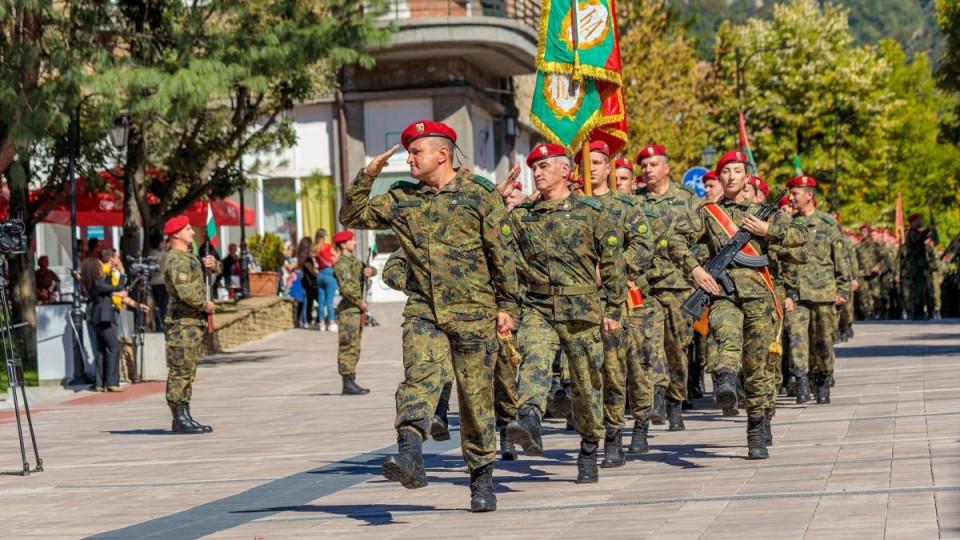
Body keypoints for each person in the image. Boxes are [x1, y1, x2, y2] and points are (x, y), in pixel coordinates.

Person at [340, 119, 519, 512]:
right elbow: (350, 217)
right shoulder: (402, 197)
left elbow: (502, 254)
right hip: (424, 311)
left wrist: (508, 308)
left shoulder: (479, 194)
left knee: (475, 400)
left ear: (442, 153)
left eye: (415, 151)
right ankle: (410, 456)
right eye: (407, 152)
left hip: (475, 313)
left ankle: (481, 480)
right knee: (419, 379)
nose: (409, 159)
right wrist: (369, 174)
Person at [500, 142, 625, 483]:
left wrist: (613, 307)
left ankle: (588, 449)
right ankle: (528, 419)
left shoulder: (593, 213)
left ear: (566, 171)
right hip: (538, 307)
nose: (537, 173)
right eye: (534, 168)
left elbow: (614, 265)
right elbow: (504, 261)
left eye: (544, 167)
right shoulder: (522, 217)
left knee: (586, 386)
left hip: (582, 310)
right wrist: (508, 308)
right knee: (535, 359)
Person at [677, 150, 806, 459]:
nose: (732, 176)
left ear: (747, 178)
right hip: (723, 294)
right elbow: (675, 241)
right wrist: (695, 270)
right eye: (726, 172)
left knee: (759, 364)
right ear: (719, 178)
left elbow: (800, 236)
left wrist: (767, 231)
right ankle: (724, 379)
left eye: (737, 171)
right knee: (725, 334)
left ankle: (757, 426)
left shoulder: (765, 213)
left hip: (761, 297)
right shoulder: (707, 213)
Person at [573, 141, 653, 466]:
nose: (591, 168)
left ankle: (615, 436)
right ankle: (588, 438)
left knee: (615, 369)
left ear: (609, 167)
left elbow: (644, 247)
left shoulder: (625, 205)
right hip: (576, 301)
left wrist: (610, 270)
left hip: (614, 299)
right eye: (585, 162)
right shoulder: (571, 204)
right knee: (581, 372)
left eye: (597, 161)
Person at [634, 144, 699, 430]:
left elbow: (699, 239)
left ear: (666, 168)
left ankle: (675, 401)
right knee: (650, 344)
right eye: (644, 165)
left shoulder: (686, 199)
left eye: (653, 164)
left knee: (677, 348)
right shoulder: (635, 202)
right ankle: (657, 396)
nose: (647, 170)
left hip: (678, 285)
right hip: (647, 286)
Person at [781, 176, 849, 405]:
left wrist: (843, 290)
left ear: (809, 195)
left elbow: (840, 259)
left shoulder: (827, 224)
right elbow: (781, 262)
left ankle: (822, 381)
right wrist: (785, 294)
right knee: (797, 341)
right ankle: (801, 382)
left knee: (823, 342)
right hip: (796, 295)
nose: (790, 198)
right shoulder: (788, 225)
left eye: (795, 193)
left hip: (824, 295)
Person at [162, 216, 220, 434]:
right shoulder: (176, 260)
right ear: (176, 233)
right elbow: (185, 292)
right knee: (180, 371)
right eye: (188, 228)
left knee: (188, 371)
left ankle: (185, 414)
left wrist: (214, 265)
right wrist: (206, 305)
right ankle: (178, 417)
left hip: (191, 324)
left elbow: (209, 272)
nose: (193, 232)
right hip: (181, 324)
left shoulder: (188, 257)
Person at [87, 249, 149, 392]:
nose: (120, 261)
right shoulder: (102, 273)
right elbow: (116, 289)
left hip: (106, 315)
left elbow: (120, 294)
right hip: (103, 316)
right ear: (111, 258)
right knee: (113, 347)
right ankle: (111, 382)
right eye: (118, 258)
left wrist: (138, 305)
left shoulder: (107, 274)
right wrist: (122, 274)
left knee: (103, 349)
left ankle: (101, 383)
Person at [332, 230, 375, 395]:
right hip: (348, 311)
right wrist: (360, 302)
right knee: (348, 346)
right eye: (351, 241)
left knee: (355, 347)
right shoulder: (341, 263)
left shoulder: (353, 262)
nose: (355, 243)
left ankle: (352, 378)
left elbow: (367, 270)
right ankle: (347, 381)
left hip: (356, 312)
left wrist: (371, 272)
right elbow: (346, 289)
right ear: (343, 244)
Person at [314, 229, 339, 331]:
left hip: (320, 274)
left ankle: (322, 323)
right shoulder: (327, 246)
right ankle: (332, 323)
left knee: (321, 300)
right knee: (329, 301)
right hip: (329, 273)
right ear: (324, 236)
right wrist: (333, 260)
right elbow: (337, 256)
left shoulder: (314, 248)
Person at [148, 231, 170, 330]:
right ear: (160, 242)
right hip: (163, 283)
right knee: (163, 308)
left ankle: (157, 327)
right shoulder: (164, 255)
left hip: (153, 282)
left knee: (156, 308)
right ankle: (161, 329)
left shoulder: (150, 254)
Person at [297, 238, 320, 327]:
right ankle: (310, 321)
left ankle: (311, 320)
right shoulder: (306, 259)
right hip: (310, 283)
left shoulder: (303, 257)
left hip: (307, 282)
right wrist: (321, 273)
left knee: (311, 301)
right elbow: (313, 272)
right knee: (312, 302)